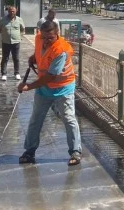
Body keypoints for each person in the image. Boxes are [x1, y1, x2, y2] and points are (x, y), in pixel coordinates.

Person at [18, 20, 82, 166]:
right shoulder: (39, 38)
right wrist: (34, 57)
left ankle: (75, 151)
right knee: (36, 119)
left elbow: (51, 76)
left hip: (63, 87)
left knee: (68, 118)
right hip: (44, 88)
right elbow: (41, 52)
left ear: (57, 34)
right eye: (44, 37)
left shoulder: (61, 50)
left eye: (50, 38)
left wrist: (29, 86)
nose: (46, 41)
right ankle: (29, 151)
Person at [0, 5, 25, 81]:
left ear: (16, 11)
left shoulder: (19, 19)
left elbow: (23, 29)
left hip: (16, 42)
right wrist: (5, 34)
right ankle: (4, 74)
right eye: (10, 11)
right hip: (6, 42)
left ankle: (17, 73)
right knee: (5, 58)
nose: (11, 12)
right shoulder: (3, 20)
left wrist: (19, 36)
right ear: (8, 11)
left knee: (16, 58)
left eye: (13, 11)